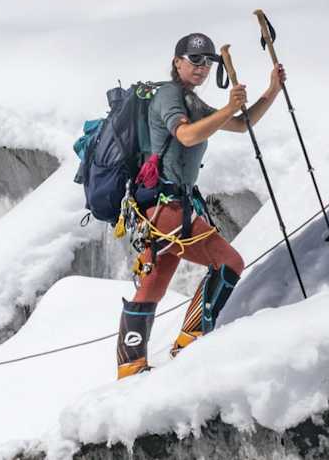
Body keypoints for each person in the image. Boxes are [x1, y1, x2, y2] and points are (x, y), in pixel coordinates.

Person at [117, 32, 286, 379]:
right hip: (168, 206)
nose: (202, 68)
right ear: (177, 61)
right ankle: (190, 341)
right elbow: (186, 135)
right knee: (230, 263)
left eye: (208, 62)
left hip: (163, 206)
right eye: (195, 60)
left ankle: (130, 366)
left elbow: (240, 125)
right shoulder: (169, 97)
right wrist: (226, 107)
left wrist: (271, 92)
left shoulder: (189, 100)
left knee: (155, 283)